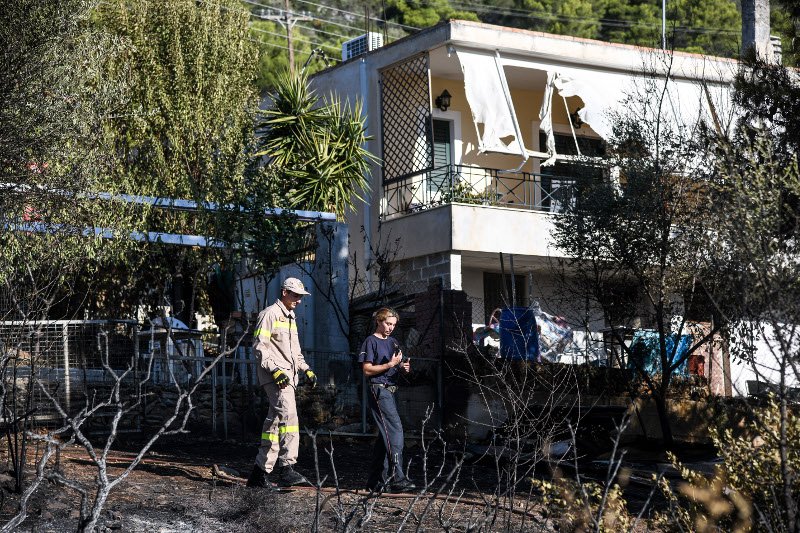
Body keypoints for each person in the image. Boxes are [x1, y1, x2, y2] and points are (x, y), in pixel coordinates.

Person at [246, 277, 318, 489]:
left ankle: (259, 474)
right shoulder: (269, 314)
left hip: (288, 377)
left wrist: (306, 369)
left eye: (301, 297)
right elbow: (259, 346)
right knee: (290, 417)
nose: (299, 300)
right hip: (276, 377)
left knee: (274, 424)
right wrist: (275, 370)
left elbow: (295, 352)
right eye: (295, 295)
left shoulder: (290, 318)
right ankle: (287, 468)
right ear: (284, 292)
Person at [358, 307, 416, 493]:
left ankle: (376, 482)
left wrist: (403, 368)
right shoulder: (370, 341)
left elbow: (397, 366)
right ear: (379, 321)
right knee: (395, 431)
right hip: (378, 389)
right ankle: (397, 478)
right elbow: (367, 370)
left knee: (385, 436)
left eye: (394, 325)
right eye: (388, 323)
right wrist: (389, 364)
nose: (391, 328)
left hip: (391, 390)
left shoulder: (393, 342)